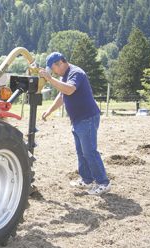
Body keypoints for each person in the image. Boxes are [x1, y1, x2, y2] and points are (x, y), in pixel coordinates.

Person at [39, 52, 111, 195]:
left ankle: (103, 183)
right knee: (81, 151)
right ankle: (87, 180)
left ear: (60, 63)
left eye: (53, 68)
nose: (53, 71)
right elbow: (62, 95)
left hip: (87, 118)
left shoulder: (76, 73)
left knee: (89, 151)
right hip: (78, 119)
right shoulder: (64, 75)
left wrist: (50, 79)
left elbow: (69, 90)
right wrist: (49, 111)